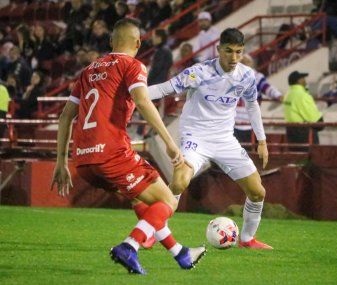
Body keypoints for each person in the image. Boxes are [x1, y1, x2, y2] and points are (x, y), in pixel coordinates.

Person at [50, 18, 206, 275]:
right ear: (138, 42)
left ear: (111, 41)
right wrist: (169, 143)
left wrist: (60, 161)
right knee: (168, 200)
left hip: (83, 160)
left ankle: (181, 254)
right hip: (112, 153)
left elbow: (66, 115)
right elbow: (143, 102)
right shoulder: (132, 65)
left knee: (140, 199)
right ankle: (129, 245)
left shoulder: (88, 70)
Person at [148, 28, 272, 250]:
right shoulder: (199, 72)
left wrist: (262, 141)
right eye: (229, 51)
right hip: (195, 136)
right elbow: (165, 89)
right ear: (218, 49)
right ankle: (151, 230)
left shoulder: (246, 75)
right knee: (179, 182)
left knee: (257, 192)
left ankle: (247, 239)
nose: (234, 58)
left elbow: (253, 105)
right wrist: (134, 93)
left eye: (239, 52)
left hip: (225, 140)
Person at [234, 54, 282, 145]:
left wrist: (278, 95)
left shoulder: (255, 77)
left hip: (247, 122)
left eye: (246, 62)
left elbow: (267, 88)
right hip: (238, 122)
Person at [283, 71, 323, 149]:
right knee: (309, 159)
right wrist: (320, 122)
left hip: (291, 133)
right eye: (303, 78)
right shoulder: (302, 95)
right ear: (298, 81)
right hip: (304, 134)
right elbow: (314, 118)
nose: (305, 80)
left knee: (296, 158)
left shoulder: (288, 95)